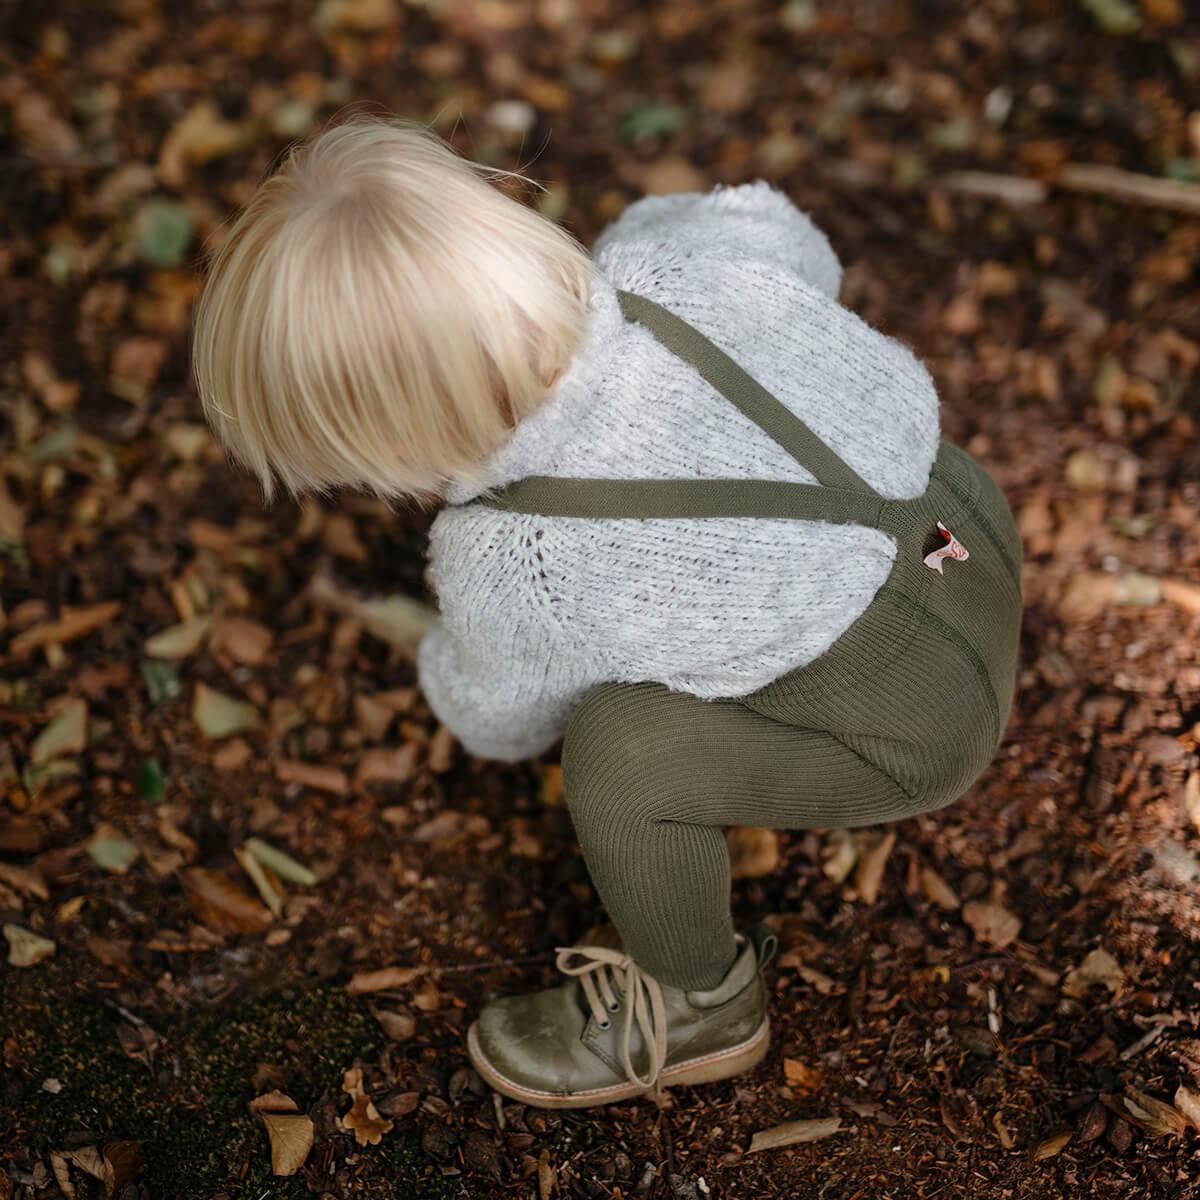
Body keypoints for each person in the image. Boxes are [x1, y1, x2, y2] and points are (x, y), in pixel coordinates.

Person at [192, 117, 1023, 1110]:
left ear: (393, 439)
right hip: (968, 539)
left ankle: (697, 1003)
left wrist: (446, 665)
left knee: (618, 754)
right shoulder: (668, 264)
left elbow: (500, 720)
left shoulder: (512, 552)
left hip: (915, 730)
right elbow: (782, 229)